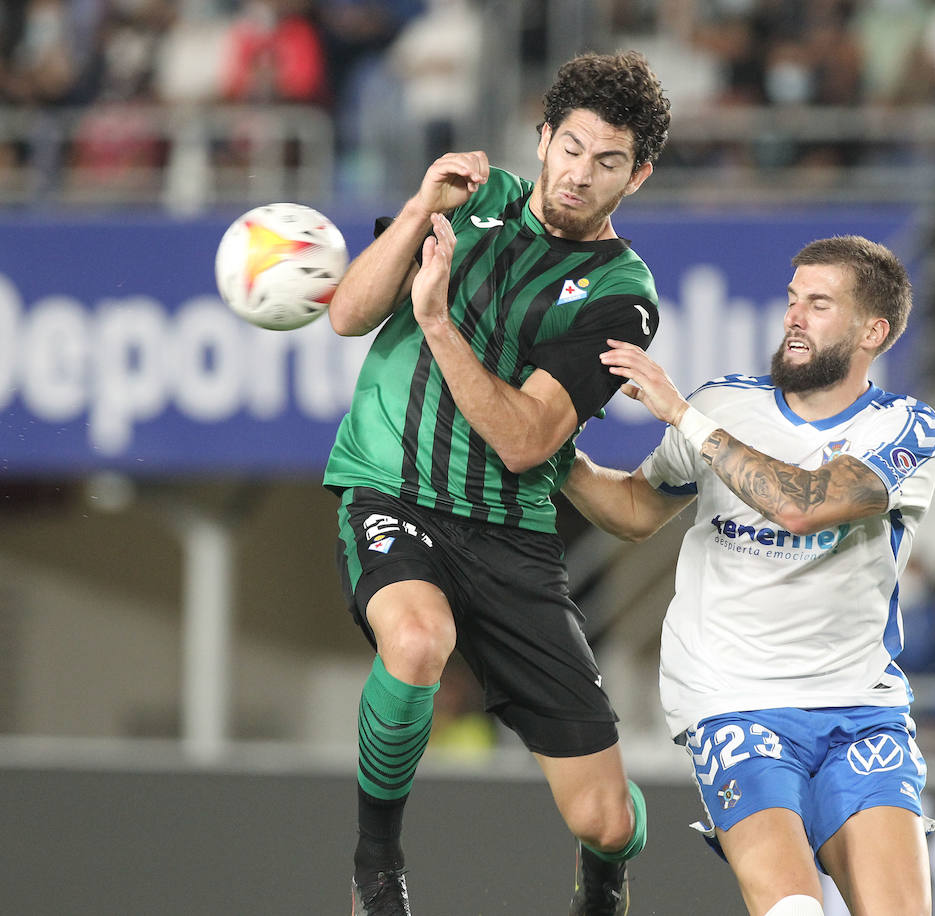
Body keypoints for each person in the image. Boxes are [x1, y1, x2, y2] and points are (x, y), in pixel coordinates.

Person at [323, 50, 671, 916]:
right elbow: (347, 312)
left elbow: (526, 443)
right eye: (572, 147)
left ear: (640, 174)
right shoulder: (470, 199)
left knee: (602, 817)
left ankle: (607, 866)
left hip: (510, 532)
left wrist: (438, 323)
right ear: (543, 136)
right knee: (414, 645)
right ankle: (377, 867)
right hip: (391, 488)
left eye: (609, 162)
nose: (580, 175)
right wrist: (414, 211)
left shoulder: (621, 296)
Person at [562, 236, 935, 916]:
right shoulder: (727, 404)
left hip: (861, 710)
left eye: (819, 304)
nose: (794, 316)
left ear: (873, 330)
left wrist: (685, 415)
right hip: (733, 703)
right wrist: (547, 453)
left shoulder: (906, 429)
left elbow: (807, 505)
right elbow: (632, 511)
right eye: (794, 300)